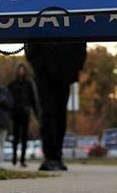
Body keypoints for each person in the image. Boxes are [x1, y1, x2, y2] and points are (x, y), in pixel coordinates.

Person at [25, 42, 87, 172]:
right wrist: (40, 66)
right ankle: (50, 157)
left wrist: (74, 68)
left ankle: (57, 156)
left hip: (65, 74)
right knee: (47, 115)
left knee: (60, 116)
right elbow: (30, 46)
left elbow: (80, 45)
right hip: (44, 75)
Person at [8, 63, 39, 167]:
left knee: (24, 136)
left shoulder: (28, 84)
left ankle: (22, 159)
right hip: (15, 112)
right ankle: (14, 158)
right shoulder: (12, 84)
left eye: (23, 70)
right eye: (19, 70)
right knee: (15, 136)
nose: (21, 72)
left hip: (25, 112)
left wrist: (35, 112)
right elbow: (8, 98)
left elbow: (32, 98)